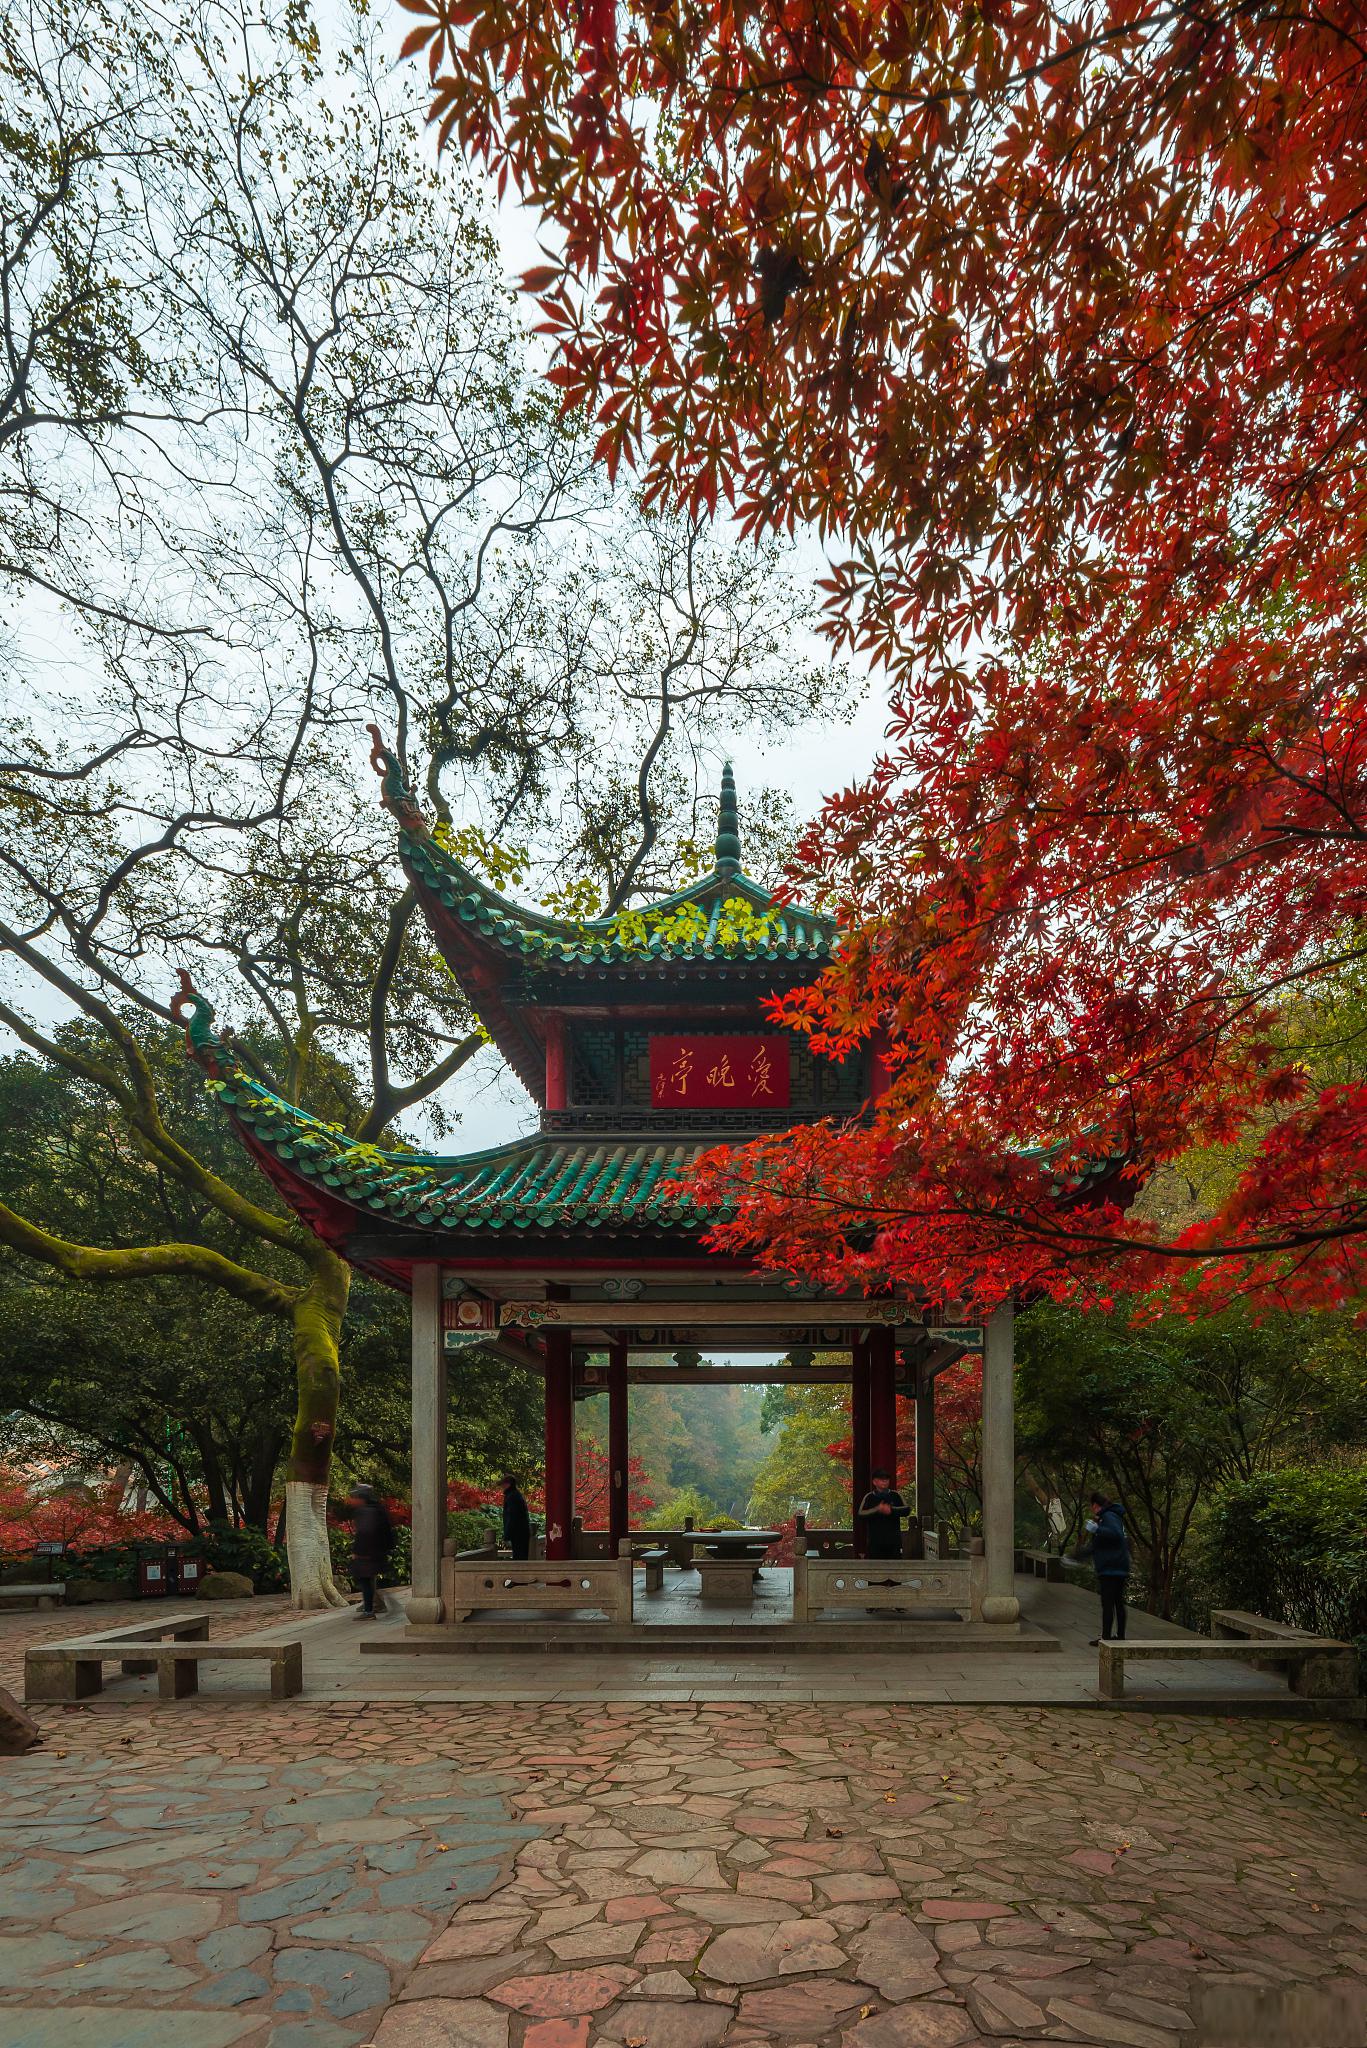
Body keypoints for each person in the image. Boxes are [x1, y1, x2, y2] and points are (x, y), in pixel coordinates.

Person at [1075, 1491, 1131, 1644]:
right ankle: (1118, 1636)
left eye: (1092, 1506)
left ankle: (1107, 1638)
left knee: (1109, 1603)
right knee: (1116, 1602)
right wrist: (1077, 1556)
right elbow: (1097, 1546)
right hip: (1116, 1565)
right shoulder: (1108, 1517)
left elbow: (1115, 1534)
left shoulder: (1109, 1517)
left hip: (1112, 1567)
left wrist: (1096, 1529)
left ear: (1095, 1505)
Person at [347, 1483, 394, 1619]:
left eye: (353, 1497)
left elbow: (365, 1532)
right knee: (367, 1579)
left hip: (368, 1552)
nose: (351, 1500)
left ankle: (369, 1610)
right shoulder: (375, 1509)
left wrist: (358, 1551)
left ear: (360, 1498)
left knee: (365, 1579)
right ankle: (373, 1604)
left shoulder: (367, 1511)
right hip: (376, 1551)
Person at [857, 1467, 909, 1558]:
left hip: (893, 1541)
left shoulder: (896, 1495)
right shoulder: (869, 1497)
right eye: (881, 1479)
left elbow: (907, 1510)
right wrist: (877, 1509)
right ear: (874, 1482)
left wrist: (891, 1510)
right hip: (875, 1541)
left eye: (886, 1479)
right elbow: (861, 1514)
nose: (884, 1481)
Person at [501, 1474, 531, 1560]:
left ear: (508, 1484)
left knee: (519, 1558)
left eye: (503, 1484)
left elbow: (512, 1517)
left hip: (518, 1533)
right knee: (522, 1556)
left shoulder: (512, 1497)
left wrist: (507, 1535)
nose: (502, 1486)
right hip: (522, 1532)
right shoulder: (515, 1494)